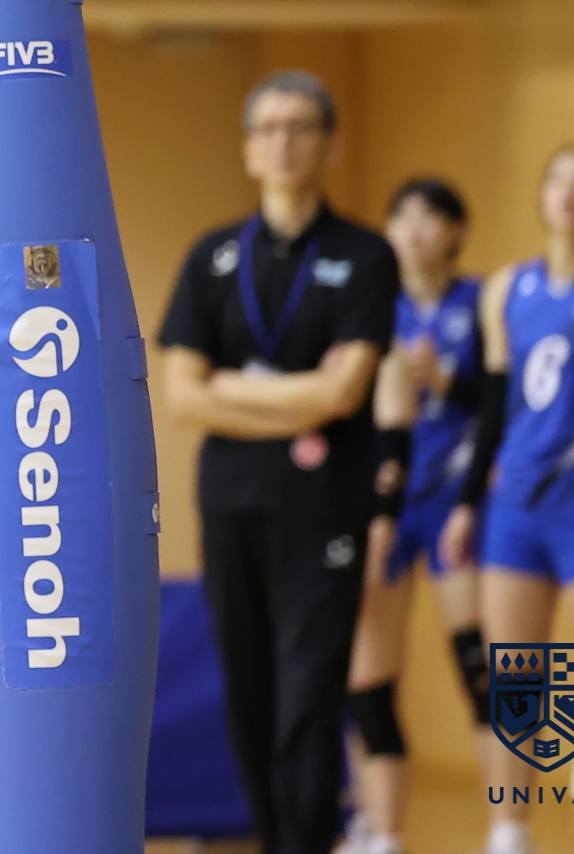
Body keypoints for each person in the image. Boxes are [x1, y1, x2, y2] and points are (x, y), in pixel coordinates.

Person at [159, 70, 398, 854]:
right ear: (247, 149)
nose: (283, 143)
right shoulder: (212, 257)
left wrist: (234, 385)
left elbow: (346, 391)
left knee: (310, 688)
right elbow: (183, 397)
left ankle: (305, 843)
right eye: (268, 129)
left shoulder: (364, 255)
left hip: (326, 506)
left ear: (330, 144)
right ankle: (274, 839)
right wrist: (300, 398)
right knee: (251, 691)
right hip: (232, 502)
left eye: (300, 128)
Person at [441, 145, 574, 854]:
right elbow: (494, 406)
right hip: (514, 508)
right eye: (557, 179)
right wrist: (467, 504)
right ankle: (510, 829)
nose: (569, 192)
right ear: (542, 196)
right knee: (514, 678)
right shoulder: (507, 289)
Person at [340, 178, 491, 854]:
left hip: (458, 507)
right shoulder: (371, 304)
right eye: (400, 217)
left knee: (482, 667)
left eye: (429, 217)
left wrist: (446, 381)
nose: (411, 229)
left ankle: (510, 827)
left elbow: (510, 402)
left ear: (456, 231)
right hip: (384, 509)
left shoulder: (482, 302)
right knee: (369, 681)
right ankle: (382, 832)